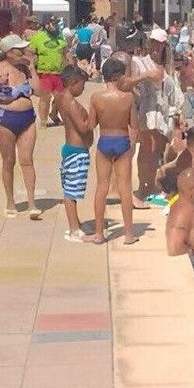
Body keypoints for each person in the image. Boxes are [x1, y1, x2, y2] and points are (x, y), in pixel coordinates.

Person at [0, 35, 41, 219]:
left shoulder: (25, 69)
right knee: (9, 161)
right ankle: (10, 201)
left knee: (27, 160)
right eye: (18, 50)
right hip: (5, 118)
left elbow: (39, 91)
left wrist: (32, 68)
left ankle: (32, 203)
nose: (23, 53)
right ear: (8, 52)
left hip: (27, 118)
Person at [89, 58, 139, 244]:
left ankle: (99, 233)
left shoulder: (96, 97)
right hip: (122, 141)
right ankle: (128, 234)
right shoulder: (128, 98)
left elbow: (91, 123)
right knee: (125, 187)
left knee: (101, 186)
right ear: (118, 76)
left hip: (104, 140)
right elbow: (134, 125)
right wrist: (133, 144)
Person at [128, 27, 175, 205]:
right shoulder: (140, 63)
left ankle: (152, 184)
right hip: (147, 111)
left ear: (164, 46)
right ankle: (142, 187)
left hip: (163, 114)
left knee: (157, 151)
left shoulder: (167, 65)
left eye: (159, 44)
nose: (155, 47)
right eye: (153, 43)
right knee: (147, 150)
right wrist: (145, 77)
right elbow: (129, 83)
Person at [56, 65, 95, 242]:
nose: (83, 89)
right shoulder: (71, 102)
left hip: (70, 148)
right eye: (82, 85)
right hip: (77, 151)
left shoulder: (60, 98)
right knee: (72, 193)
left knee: (70, 188)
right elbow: (82, 127)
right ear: (73, 83)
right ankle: (73, 230)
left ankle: (76, 224)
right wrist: (93, 115)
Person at [31, 17, 69, 127]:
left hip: (59, 73)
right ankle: (43, 122)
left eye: (56, 23)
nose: (55, 26)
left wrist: (70, 68)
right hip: (44, 73)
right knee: (45, 98)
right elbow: (31, 54)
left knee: (60, 97)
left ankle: (53, 114)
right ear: (46, 25)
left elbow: (66, 53)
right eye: (52, 23)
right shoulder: (38, 37)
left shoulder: (60, 37)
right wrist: (31, 70)